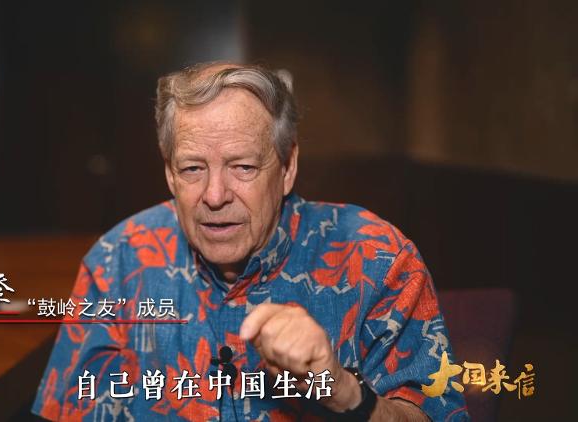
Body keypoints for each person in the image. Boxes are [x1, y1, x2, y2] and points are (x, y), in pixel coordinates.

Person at [32, 62, 469, 421]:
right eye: (192, 169)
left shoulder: (377, 259)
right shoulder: (117, 262)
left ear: (287, 166)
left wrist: (343, 391)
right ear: (169, 173)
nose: (214, 196)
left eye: (242, 167)